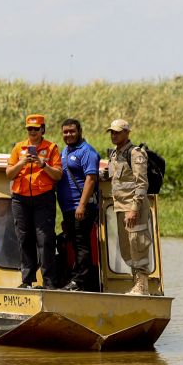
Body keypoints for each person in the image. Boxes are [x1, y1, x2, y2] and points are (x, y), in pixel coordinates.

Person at [5, 114, 63, 288]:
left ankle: (49, 281)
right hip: (20, 199)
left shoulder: (51, 148)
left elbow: (58, 175)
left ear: (42, 129)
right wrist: (22, 162)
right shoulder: (18, 148)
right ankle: (27, 280)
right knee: (24, 239)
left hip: (43, 199)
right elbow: (9, 174)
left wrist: (42, 164)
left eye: (36, 128)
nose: (32, 132)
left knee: (45, 239)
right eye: (29, 129)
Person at [102, 119, 153, 295]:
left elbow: (141, 184)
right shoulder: (115, 154)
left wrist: (134, 209)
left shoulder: (135, 154)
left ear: (127, 133)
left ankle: (142, 285)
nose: (114, 135)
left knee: (137, 244)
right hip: (119, 207)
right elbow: (113, 176)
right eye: (112, 132)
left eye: (117, 132)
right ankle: (136, 282)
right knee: (126, 248)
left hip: (134, 208)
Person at [57, 118, 100, 291]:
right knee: (74, 243)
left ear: (80, 131)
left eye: (72, 131)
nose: (68, 135)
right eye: (65, 132)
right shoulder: (65, 151)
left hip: (81, 206)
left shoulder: (87, 151)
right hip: (68, 208)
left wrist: (82, 206)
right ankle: (78, 279)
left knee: (82, 244)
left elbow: (90, 179)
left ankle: (80, 282)